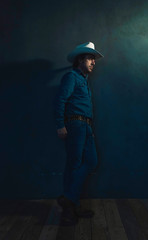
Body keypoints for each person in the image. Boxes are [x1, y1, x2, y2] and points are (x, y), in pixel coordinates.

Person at [55, 42, 104, 225]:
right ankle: (70, 208)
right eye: (90, 58)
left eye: (93, 59)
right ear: (80, 60)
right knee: (74, 163)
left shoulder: (83, 80)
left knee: (91, 161)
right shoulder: (71, 77)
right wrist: (60, 124)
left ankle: (69, 199)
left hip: (86, 126)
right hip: (75, 124)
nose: (94, 62)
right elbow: (60, 100)